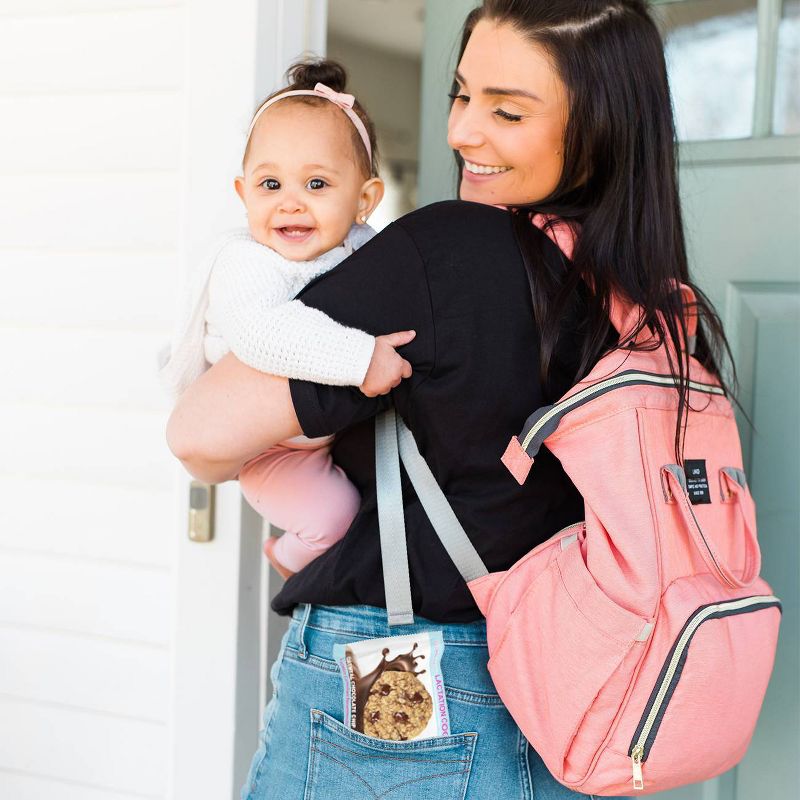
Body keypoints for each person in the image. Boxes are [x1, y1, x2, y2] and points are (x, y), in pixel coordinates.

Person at [167, 1, 734, 797]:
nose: (462, 131)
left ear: (597, 128)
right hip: (574, 695)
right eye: (461, 95)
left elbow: (198, 434)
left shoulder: (445, 253)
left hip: (404, 681)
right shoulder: (657, 307)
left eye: (507, 110)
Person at [160, 60, 415, 579]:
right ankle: (287, 558)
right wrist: (361, 358)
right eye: (271, 184)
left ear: (364, 200)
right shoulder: (246, 262)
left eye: (316, 184)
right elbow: (263, 333)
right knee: (335, 517)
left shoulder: (361, 250)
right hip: (269, 450)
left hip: (321, 433)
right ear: (244, 194)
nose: (290, 204)